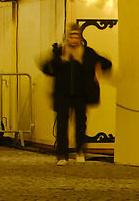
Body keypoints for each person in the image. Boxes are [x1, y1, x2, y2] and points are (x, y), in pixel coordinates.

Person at [41, 23, 112, 162]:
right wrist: (59, 62)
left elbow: (106, 63)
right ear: (67, 38)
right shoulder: (60, 52)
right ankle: (62, 155)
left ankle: (80, 151)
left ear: (80, 38)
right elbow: (46, 67)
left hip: (81, 95)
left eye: (76, 37)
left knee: (80, 125)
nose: (73, 40)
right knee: (62, 126)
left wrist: (96, 70)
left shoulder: (87, 53)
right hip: (63, 94)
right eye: (71, 37)